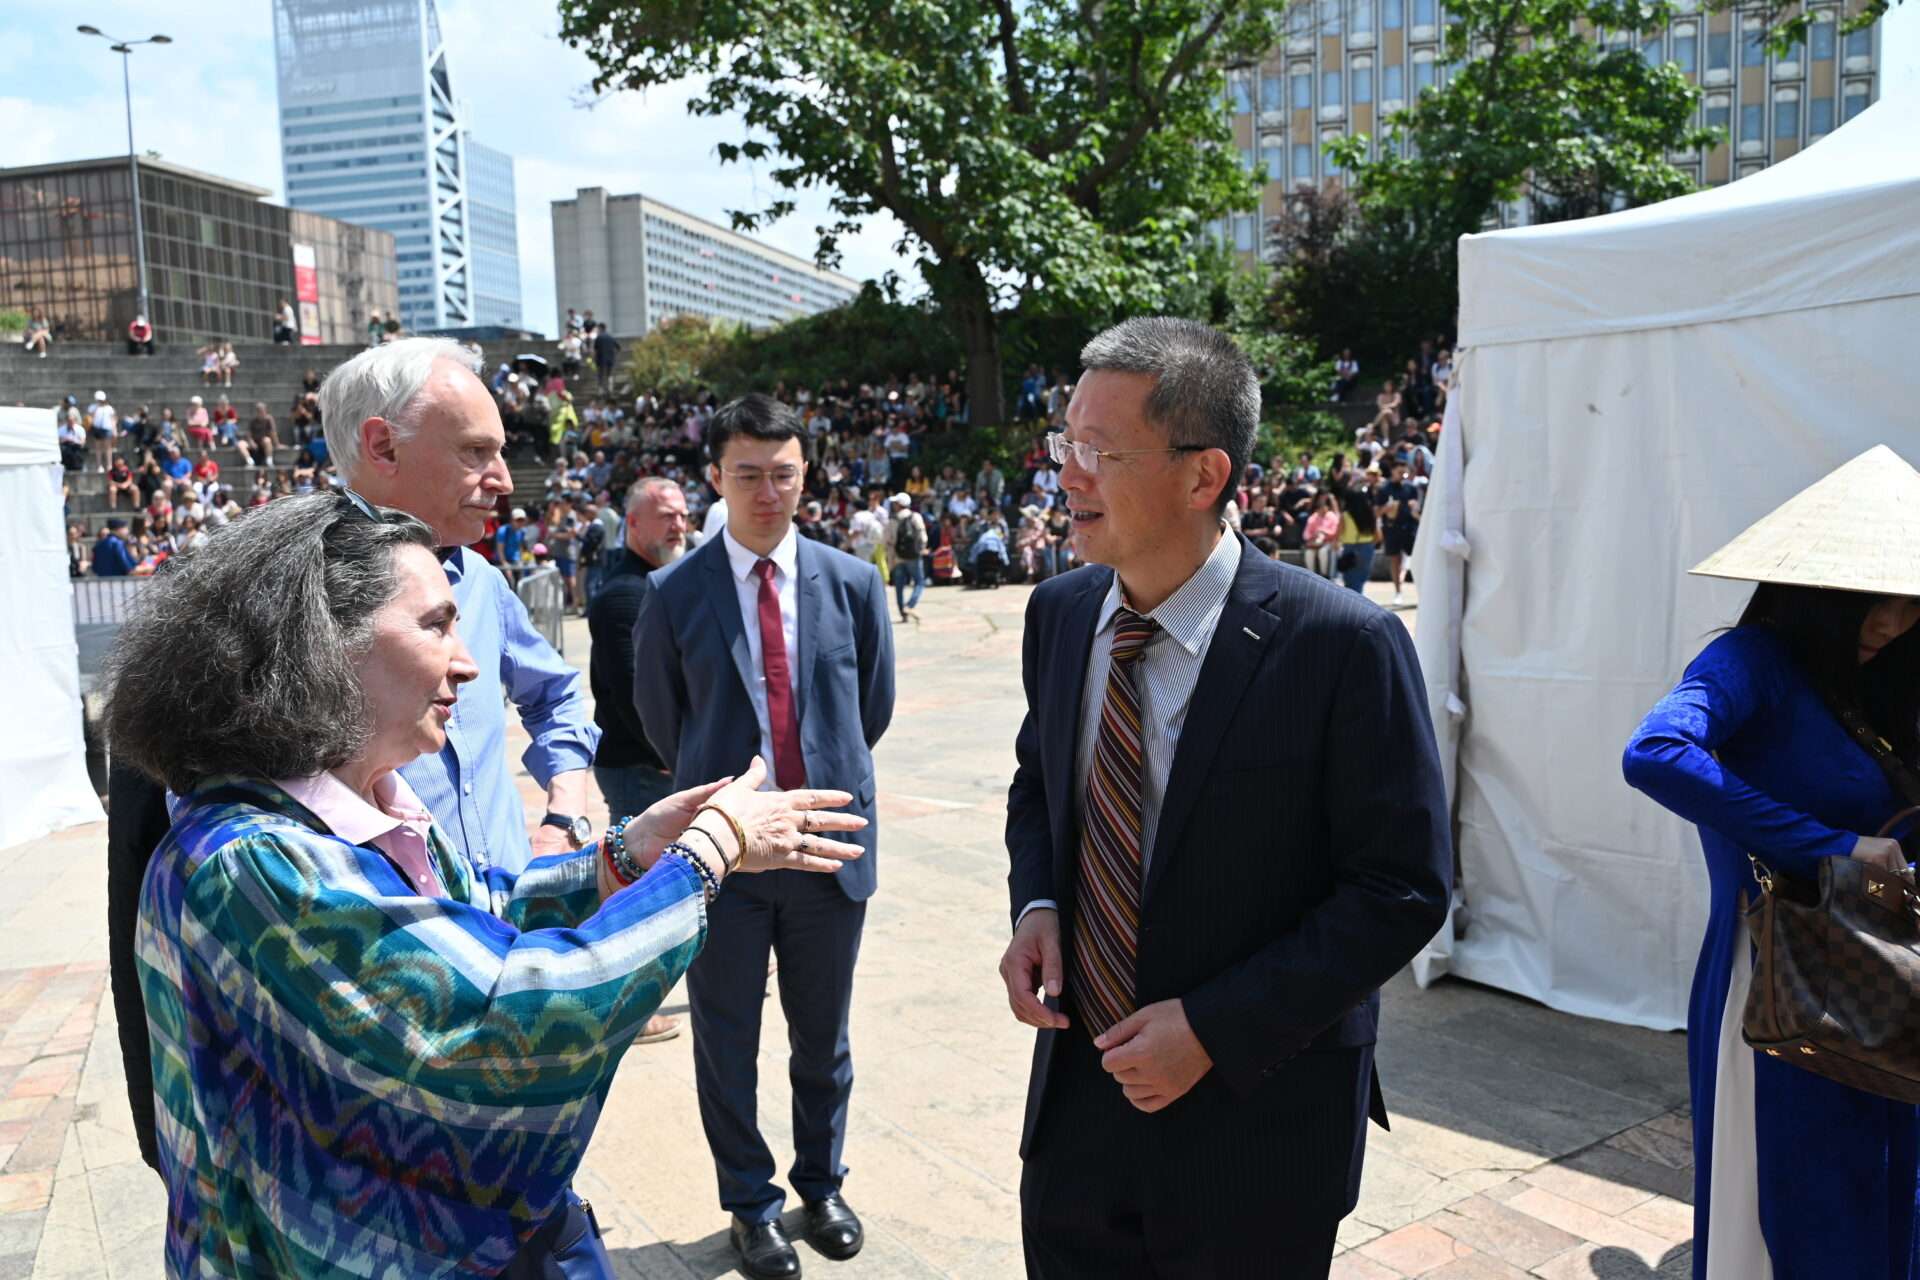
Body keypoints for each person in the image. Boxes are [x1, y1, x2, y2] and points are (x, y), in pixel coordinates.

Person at [103, 491, 867, 1275]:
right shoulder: (255, 860)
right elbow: (504, 1022)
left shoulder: (355, 807)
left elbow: (476, 918)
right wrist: (710, 853)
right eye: (435, 624)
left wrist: (632, 851)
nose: (467, 662)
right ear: (323, 645)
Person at [998, 317, 1451, 1279]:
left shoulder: (1343, 645)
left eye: (1098, 451)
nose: (1065, 475)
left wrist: (1212, 1029)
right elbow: (1038, 786)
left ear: (1204, 476)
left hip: (1260, 1121)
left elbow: (1401, 888)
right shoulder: (1061, 613)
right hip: (1080, 1104)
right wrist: (1038, 904)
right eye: (1062, 443)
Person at [1622, 445, 1920, 1280]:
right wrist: (1832, 847)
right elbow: (1655, 753)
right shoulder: (1750, 662)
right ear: (1817, 592)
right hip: (1788, 979)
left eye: (1910, 605)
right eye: (1872, 605)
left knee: (1888, 1182)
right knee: (1801, 1198)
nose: (1891, 623)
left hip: (1887, 975)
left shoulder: (1883, 678)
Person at [633, 393, 895, 1280]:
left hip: (825, 845)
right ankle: (751, 1204)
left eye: (783, 473)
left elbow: (872, 711)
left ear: (805, 475)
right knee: (726, 1039)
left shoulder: (853, 582)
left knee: (825, 1037)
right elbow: (665, 723)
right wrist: (731, 804)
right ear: (716, 478)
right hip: (728, 855)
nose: (767, 491)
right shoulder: (672, 594)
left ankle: (820, 1185)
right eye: (747, 474)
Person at [1376, 456, 1421, 605]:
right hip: (1391, 528)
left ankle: (1421, 590)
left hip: (1410, 528)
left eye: (1404, 471)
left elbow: (1416, 508)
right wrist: (1386, 509)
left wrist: (1415, 507)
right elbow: (1376, 512)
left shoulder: (1411, 488)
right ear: (1393, 471)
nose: (1403, 474)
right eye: (1400, 471)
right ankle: (1398, 591)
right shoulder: (1384, 489)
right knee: (1395, 560)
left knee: (1418, 559)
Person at [887, 491, 927, 621]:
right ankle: (910, 605)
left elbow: (887, 541)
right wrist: (921, 549)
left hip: (898, 557)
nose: (893, 505)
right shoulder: (915, 516)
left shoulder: (892, 520)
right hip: (913, 556)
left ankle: (903, 614)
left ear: (899, 504)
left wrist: (890, 559)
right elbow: (922, 535)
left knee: (899, 586)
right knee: (920, 582)